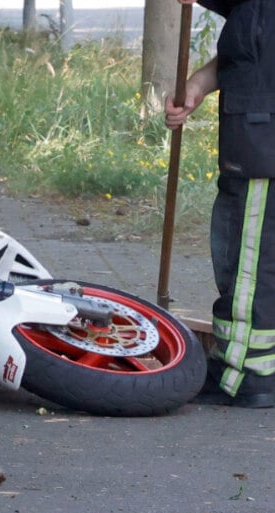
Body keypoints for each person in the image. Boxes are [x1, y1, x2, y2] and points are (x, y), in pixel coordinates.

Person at [165, 0, 275, 408]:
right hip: (254, 134)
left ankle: (244, 373)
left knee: (249, 260)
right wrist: (197, 85)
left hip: (262, 142)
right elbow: (248, 45)